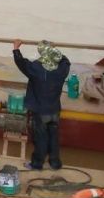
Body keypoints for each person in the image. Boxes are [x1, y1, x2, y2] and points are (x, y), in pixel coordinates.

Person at [12, 39, 71, 170]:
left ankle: (37, 164)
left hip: (40, 111)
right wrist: (52, 48)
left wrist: (16, 48)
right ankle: (55, 163)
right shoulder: (62, 70)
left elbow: (21, 63)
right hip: (55, 109)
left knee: (41, 139)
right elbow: (65, 60)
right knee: (53, 137)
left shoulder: (36, 69)